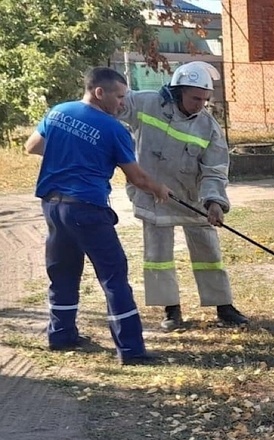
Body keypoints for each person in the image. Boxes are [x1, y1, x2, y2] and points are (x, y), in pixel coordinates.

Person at [25, 66, 173, 365]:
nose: (122, 104)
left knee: (63, 272)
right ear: (99, 92)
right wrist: (159, 189)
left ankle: (61, 335)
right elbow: (137, 179)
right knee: (114, 277)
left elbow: (32, 146)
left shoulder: (57, 112)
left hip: (53, 205)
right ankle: (131, 351)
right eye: (119, 97)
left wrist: (71, 154)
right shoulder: (114, 129)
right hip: (87, 208)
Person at [118, 61, 249, 332]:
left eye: (205, 99)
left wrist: (214, 202)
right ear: (177, 92)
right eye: (194, 98)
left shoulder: (209, 127)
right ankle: (171, 310)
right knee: (158, 255)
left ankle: (223, 306)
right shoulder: (146, 103)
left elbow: (215, 169)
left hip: (192, 199)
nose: (200, 104)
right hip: (152, 195)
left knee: (209, 254)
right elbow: (112, 103)